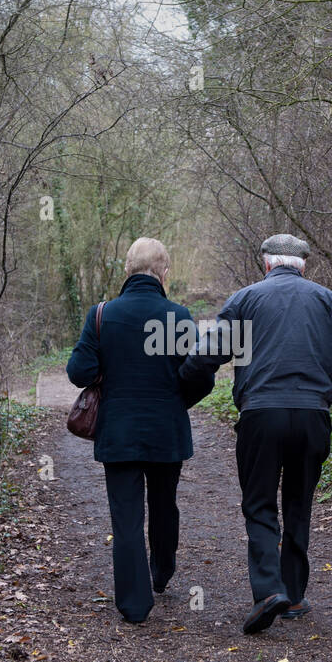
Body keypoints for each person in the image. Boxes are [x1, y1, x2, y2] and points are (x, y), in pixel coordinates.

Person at [179, 234, 332, 634]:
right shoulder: (327, 300)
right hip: (312, 417)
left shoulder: (246, 299)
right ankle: (294, 595)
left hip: (261, 415)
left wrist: (181, 388)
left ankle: (269, 590)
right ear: (303, 266)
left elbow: (206, 354)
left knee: (260, 503)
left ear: (266, 264)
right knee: (299, 502)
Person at [67, 238, 208, 624]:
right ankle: (161, 572)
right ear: (165, 273)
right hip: (167, 431)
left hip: (119, 432)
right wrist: (177, 400)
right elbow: (201, 375)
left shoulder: (102, 315)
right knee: (164, 505)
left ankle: (134, 603)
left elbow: (78, 371)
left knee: (126, 517)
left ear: (126, 270)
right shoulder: (178, 317)